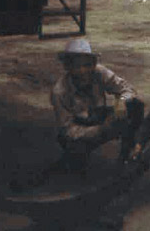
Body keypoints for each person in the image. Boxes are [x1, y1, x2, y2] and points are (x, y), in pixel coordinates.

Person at [50, 39, 144, 174]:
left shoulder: (99, 72)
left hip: (99, 115)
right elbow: (68, 130)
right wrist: (100, 129)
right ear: (68, 67)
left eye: (87, 65)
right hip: (80, 130)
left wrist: (122, 100)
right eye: (77, 66)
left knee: (135, 106)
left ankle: (126, 155)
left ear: (93, 64)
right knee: (75, 164)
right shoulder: (59, 92)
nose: (83, 71)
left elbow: (128, 89)